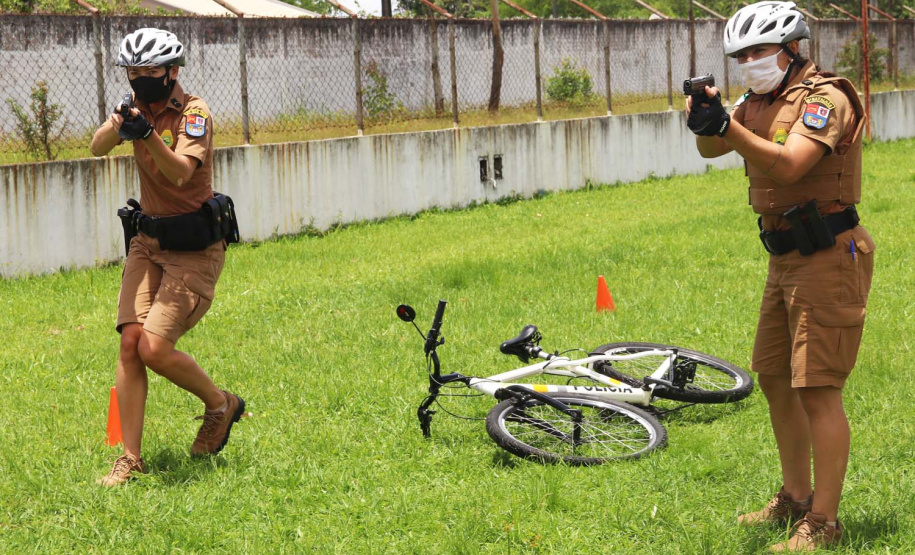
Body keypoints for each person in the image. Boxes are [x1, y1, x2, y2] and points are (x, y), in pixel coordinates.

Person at [685, 2, 874, 551]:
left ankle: (825, 523)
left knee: (817, 389)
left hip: (828, 252)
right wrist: (708, 119)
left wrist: (729, 127)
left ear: (793, 48)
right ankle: (794, 498)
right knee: (773, 378)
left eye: (758, 51)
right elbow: (710, 149)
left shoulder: (826, 98)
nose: (748, 62)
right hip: (784, 255)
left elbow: (791, 164)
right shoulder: (756, 101)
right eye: (740, 55)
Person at [91, 28, 245, 486]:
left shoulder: (195, 113)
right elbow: (97, 148)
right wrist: (120, 122)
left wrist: (149, 136)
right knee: (129, 342)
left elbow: (180, 174)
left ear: (172, 72)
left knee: (154, 348)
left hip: (194, 249)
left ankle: (220, 404)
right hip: (148, 242)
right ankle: (130, 458)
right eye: (133, 72)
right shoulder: (135, 108)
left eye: (150, 72)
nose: (141, 79)